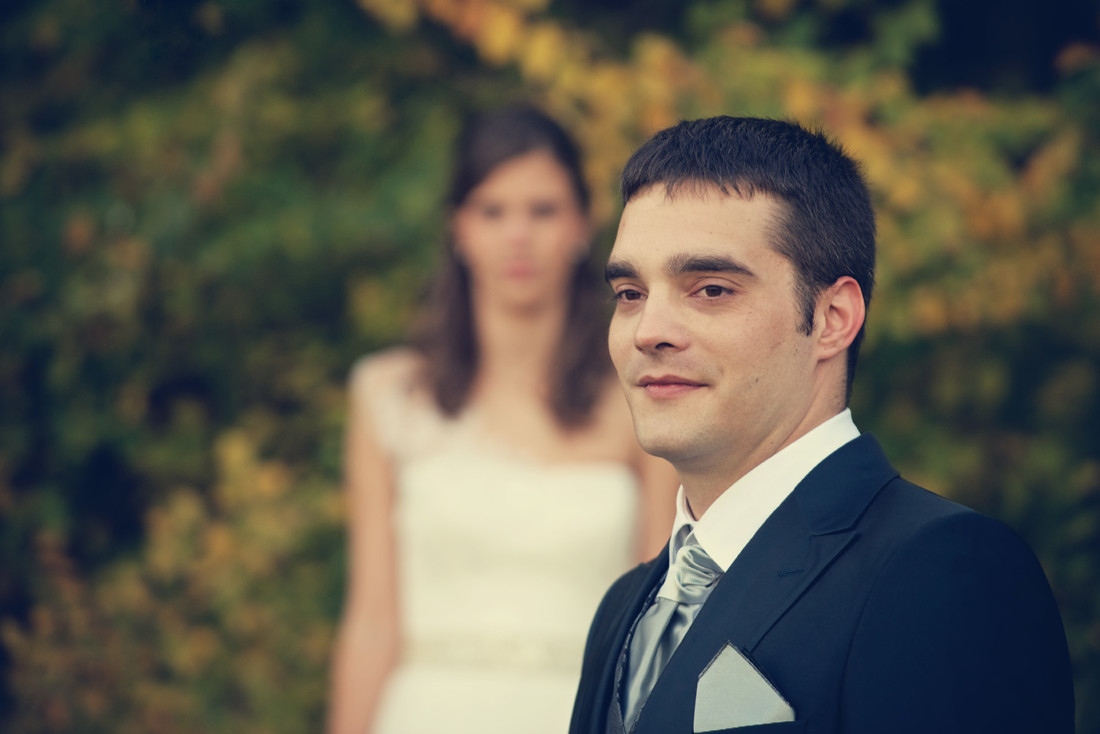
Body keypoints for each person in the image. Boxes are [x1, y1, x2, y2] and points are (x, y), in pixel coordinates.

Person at [570, 116, 1075, 734]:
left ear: (833, 317)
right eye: (630, 293)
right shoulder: (626, 606)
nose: (649, 330)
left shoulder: (943, 574)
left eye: (711, 289)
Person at [326, 106, 678, 734]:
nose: (519, 235)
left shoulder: (638, 391)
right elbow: (372, 619)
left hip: (580, 713)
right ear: (458, 228)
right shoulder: (389, 394)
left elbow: (660, 616)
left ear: (581, 222)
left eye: (542, 210)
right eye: (493, 211)